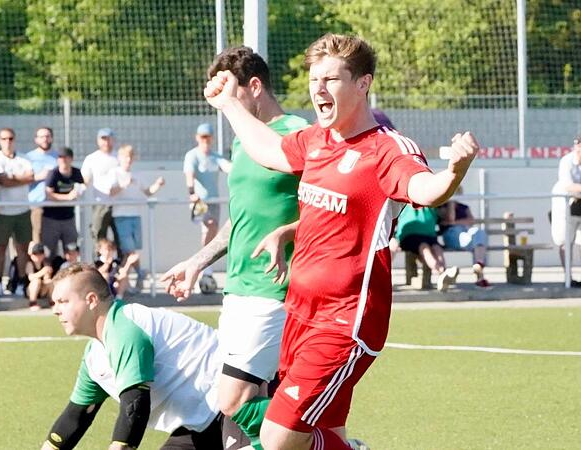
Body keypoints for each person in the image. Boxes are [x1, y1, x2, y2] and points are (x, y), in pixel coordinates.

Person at [203, 33, 479, 450]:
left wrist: (454, 172)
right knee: (325, 433)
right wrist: (228, 105)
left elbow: (427, 189)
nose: (318, 89)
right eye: (314, 79)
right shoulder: (316, 140)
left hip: (345, 322)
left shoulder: (386, 149)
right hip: (298, 313)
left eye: (331, 79)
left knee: (278, 438)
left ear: (363, 83)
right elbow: (269, 149)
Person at [163, 46, 309, 449]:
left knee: (232, 399)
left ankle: (328, 441)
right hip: (238, 290)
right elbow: (239, 220)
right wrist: (198, 261)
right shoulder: (243, 144)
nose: (224, 111)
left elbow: (328, 208)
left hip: (275, 290)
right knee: (249, 407)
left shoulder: (298, 134)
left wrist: (287, 233)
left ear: (255, 86)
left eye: (230, 95)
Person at [43, 263, 223, 450]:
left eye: (63, 302)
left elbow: (135, 405)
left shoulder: (124, 329)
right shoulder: (94, 355)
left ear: (91, 300)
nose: (55, 310)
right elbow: (75, 417)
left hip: (235, 402)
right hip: (201, 422)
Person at [109, 145, 165, 293]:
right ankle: (140, 274)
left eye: (130, 157)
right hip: (121, 215)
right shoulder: (115, 173)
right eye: (125, 157)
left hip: (135, 214)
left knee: (133, 250)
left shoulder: (137, 175)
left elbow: (148, 192)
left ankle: (132, 281)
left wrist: (158, 185)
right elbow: (110, 192)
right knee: (129, 250)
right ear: (119, 158)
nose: (128, 160)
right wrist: (123, 185)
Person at [183, 122, 232, 291]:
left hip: (214, 201)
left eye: (208, 137)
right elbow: (190, 174)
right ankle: (202, 266)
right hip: (200, 202)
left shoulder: (215, 156)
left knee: (214, 230)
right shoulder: (192, 156)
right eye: (202, 137)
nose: (205, 140)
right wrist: (191, 192)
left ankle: (206, 268)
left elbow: (228, 167)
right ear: (197, 138)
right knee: (209, 226)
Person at [0, 127, 34, 296]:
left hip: (22, 209)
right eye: (4, 139)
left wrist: (12, 178)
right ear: (0, 141)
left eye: (11, 139)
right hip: (3, 210)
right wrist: (18, 178)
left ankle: (21, 283)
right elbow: (3, 181)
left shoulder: (24, 158)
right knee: (1, 248)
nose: (8, 142)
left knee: (22, 249)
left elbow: (31, 177)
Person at [395, 205, 459, 291]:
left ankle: (443, 273)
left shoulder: (433, 205)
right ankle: (442, 272)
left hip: (429, 236)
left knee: (437, 248)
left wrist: (451, 203)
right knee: (424, 248)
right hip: (410, 236)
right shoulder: (405, 203)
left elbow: (449, 219)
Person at [437, 187, 490, 287]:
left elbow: (471, 221)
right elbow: (450, 219)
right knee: (473, 239)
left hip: (466, 233)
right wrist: (451, 204)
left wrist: (455, 222)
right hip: (452, 235)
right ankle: (480, 274)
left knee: (479, 233)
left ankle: (478, 265)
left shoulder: (464, 207)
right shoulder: (441, 207)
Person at [81, 128, 120, 250]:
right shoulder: (91, 158)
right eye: (103, 139)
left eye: (108, 138)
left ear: (113, 140)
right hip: (99, 204)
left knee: (120, 238)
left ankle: (118, 266)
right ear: (98, 141)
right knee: (98, 236)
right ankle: (99, 266)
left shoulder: (119, 157)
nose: (106, 142)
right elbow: (85, 180)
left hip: (119, 204)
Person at [550, 134, 581, 286]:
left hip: (579, 204)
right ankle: (568, 277)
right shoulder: (567, 161)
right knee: (565, 241)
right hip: (565, 206)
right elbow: (568, 186)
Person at [44, 146, 84, 258]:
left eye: (65, 157)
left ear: (71, 159)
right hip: (51, 218)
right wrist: (68, 197)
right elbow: (49, 194)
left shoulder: (76, 172)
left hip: (69, 218)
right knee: (49, 251)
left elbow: (82, 186)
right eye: (60, 157)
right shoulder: (53, 173)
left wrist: (78, 192)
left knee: (72, 249)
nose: (63, 160)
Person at [26, 126, 58, 243]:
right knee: (36, 237)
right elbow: (23, 180)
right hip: (36, 203)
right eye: (42, 136)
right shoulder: (29, 158)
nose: (45, 139)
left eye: (47, 136)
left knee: (52, 240)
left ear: (52, 138)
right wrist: (40, 176)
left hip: (55, 204)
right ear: (36, 139)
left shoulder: (58, 157)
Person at [25, 241, 53, 311]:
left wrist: (47, 273)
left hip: (42, 290)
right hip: (31, 290)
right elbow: (30, 277)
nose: (37, 256)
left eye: (39, 254)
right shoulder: (30, 264)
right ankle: (32, 302)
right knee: (36, 281)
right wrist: (42, 272)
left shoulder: (45, 264)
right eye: (35, 254)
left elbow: (47, 279)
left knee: (50, 281)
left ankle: (52, 302)